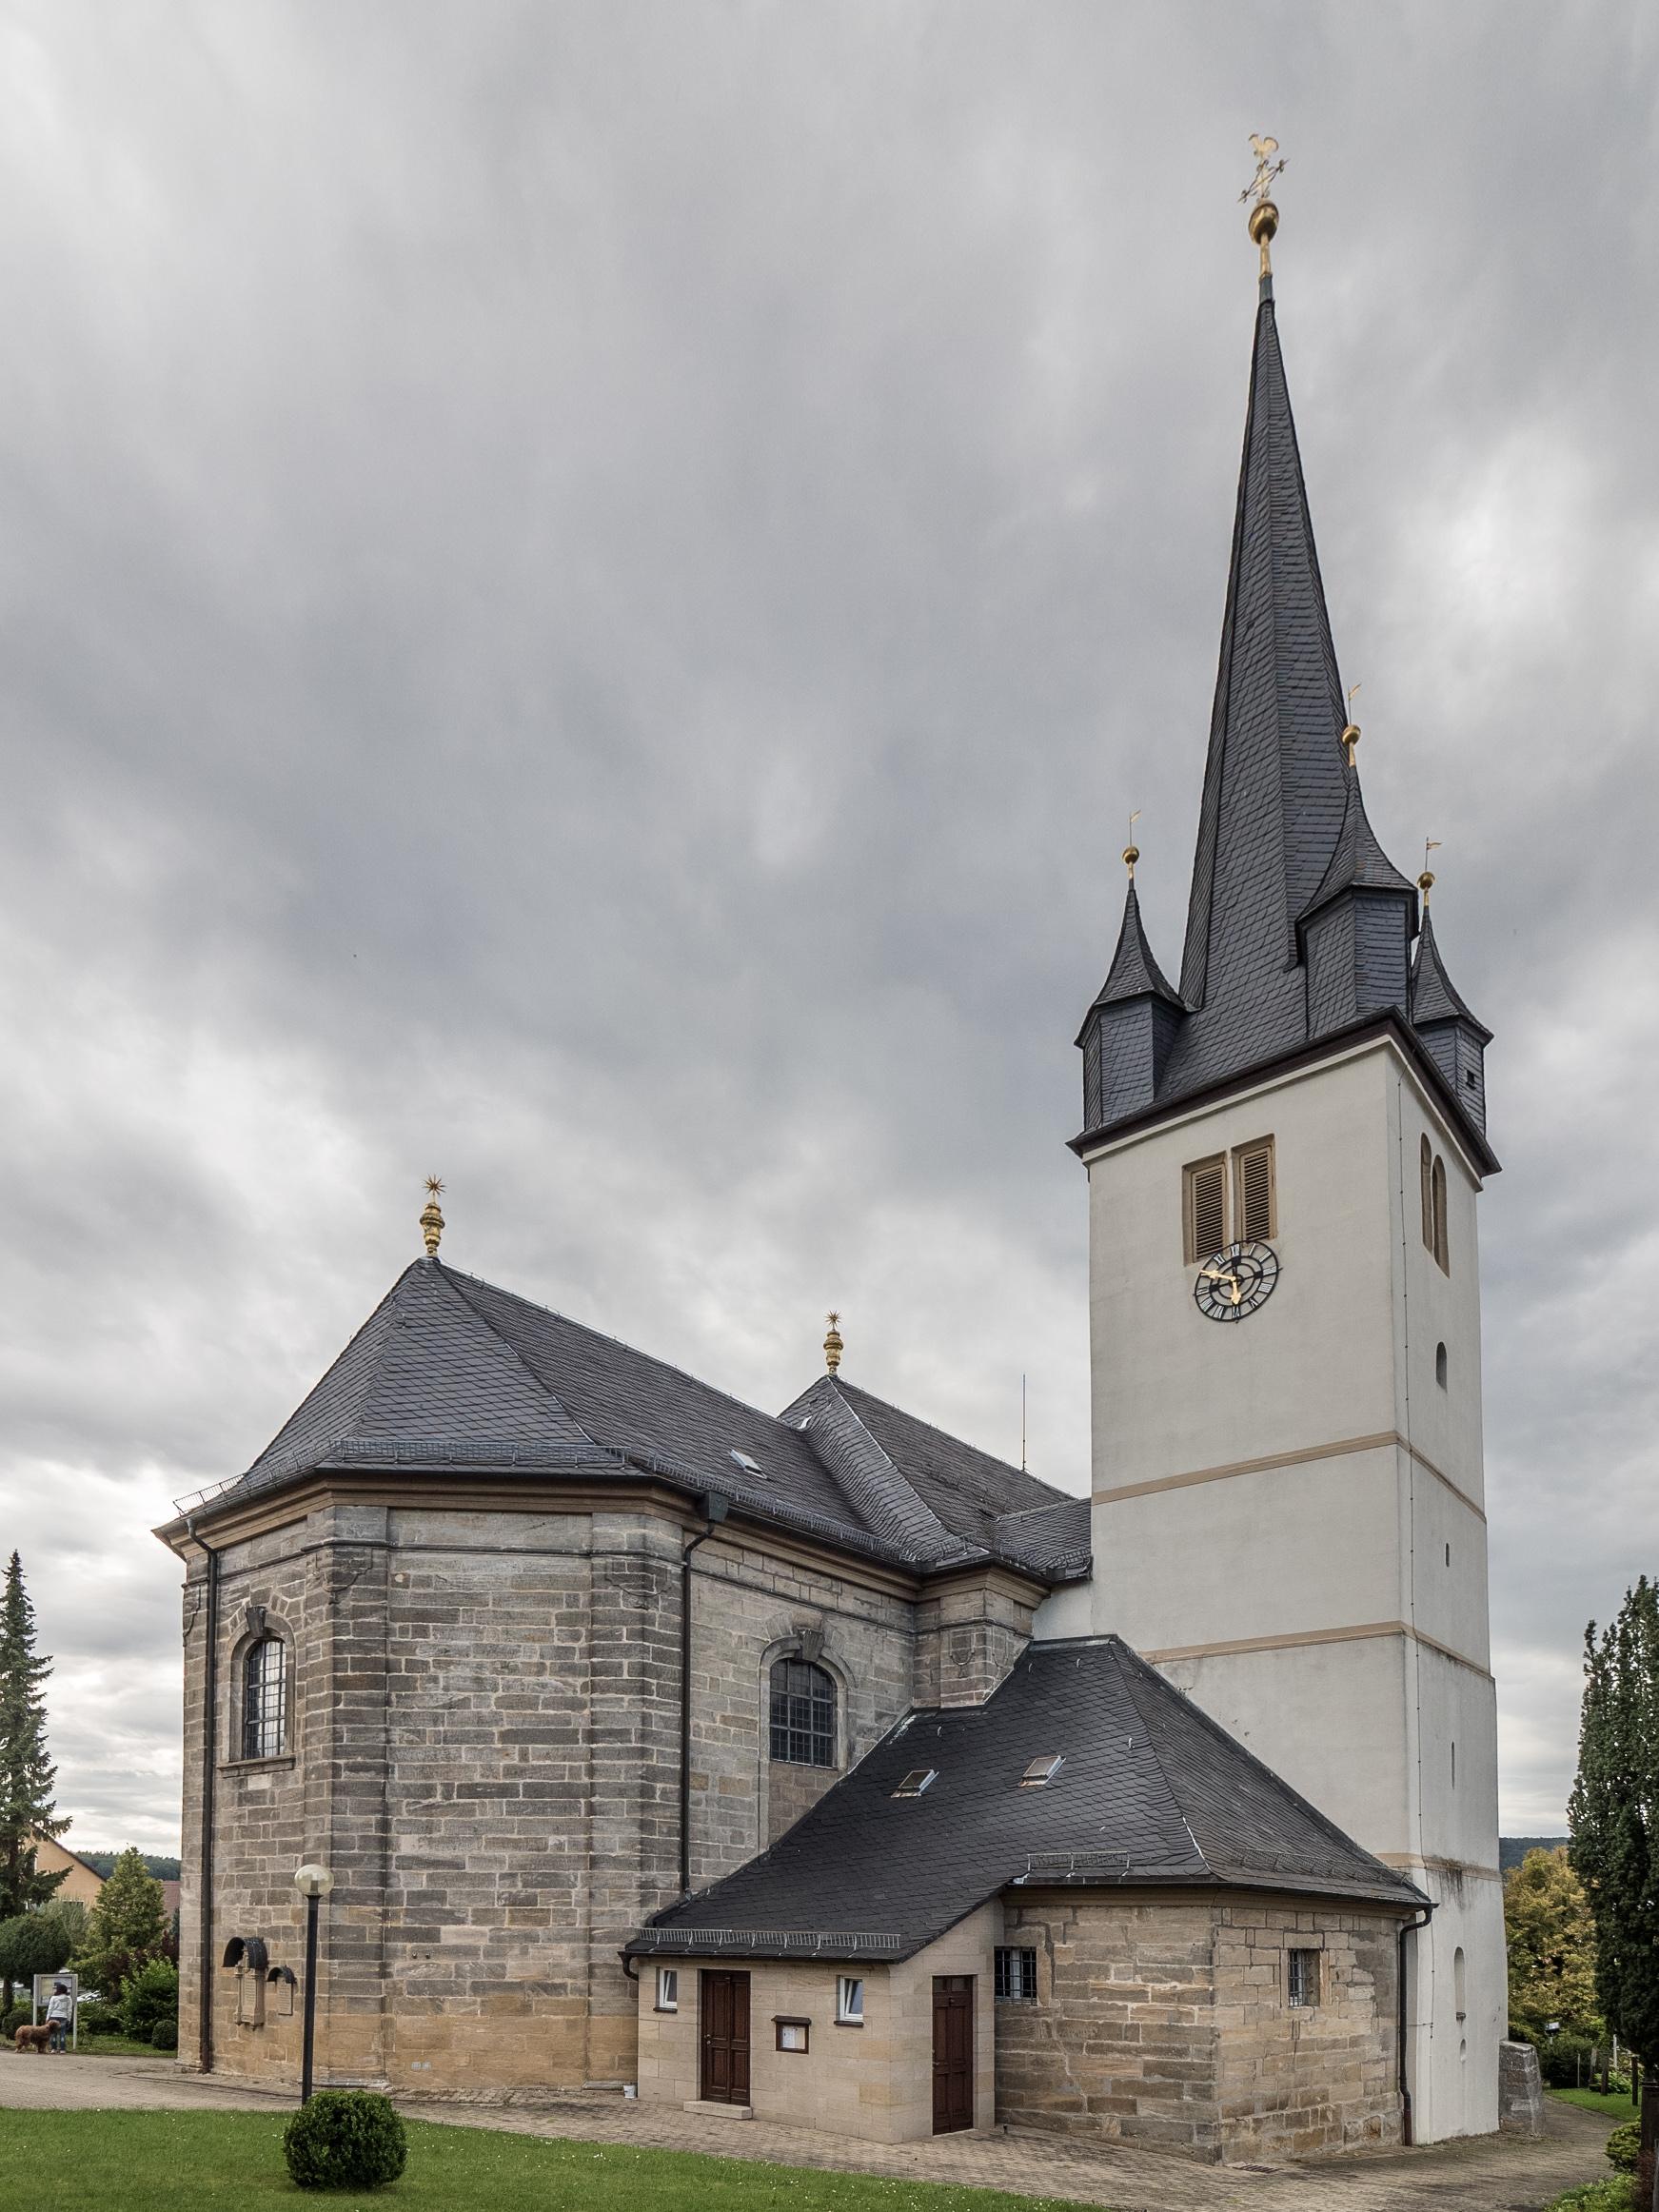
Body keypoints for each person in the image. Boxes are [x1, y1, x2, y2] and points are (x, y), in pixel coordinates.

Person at [44, 1981, 72, 2053]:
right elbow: (69, 2010)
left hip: (53, 2017)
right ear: (65, 1990)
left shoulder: (53, 1998)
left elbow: (50, 2008)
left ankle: (54, 2049)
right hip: (63, 2017)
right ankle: (62, 2049)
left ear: (58, 1990)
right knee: (62, 2034)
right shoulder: (68, 1998)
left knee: (53, 2034)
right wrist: (69, 2019)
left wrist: (47, 2018)